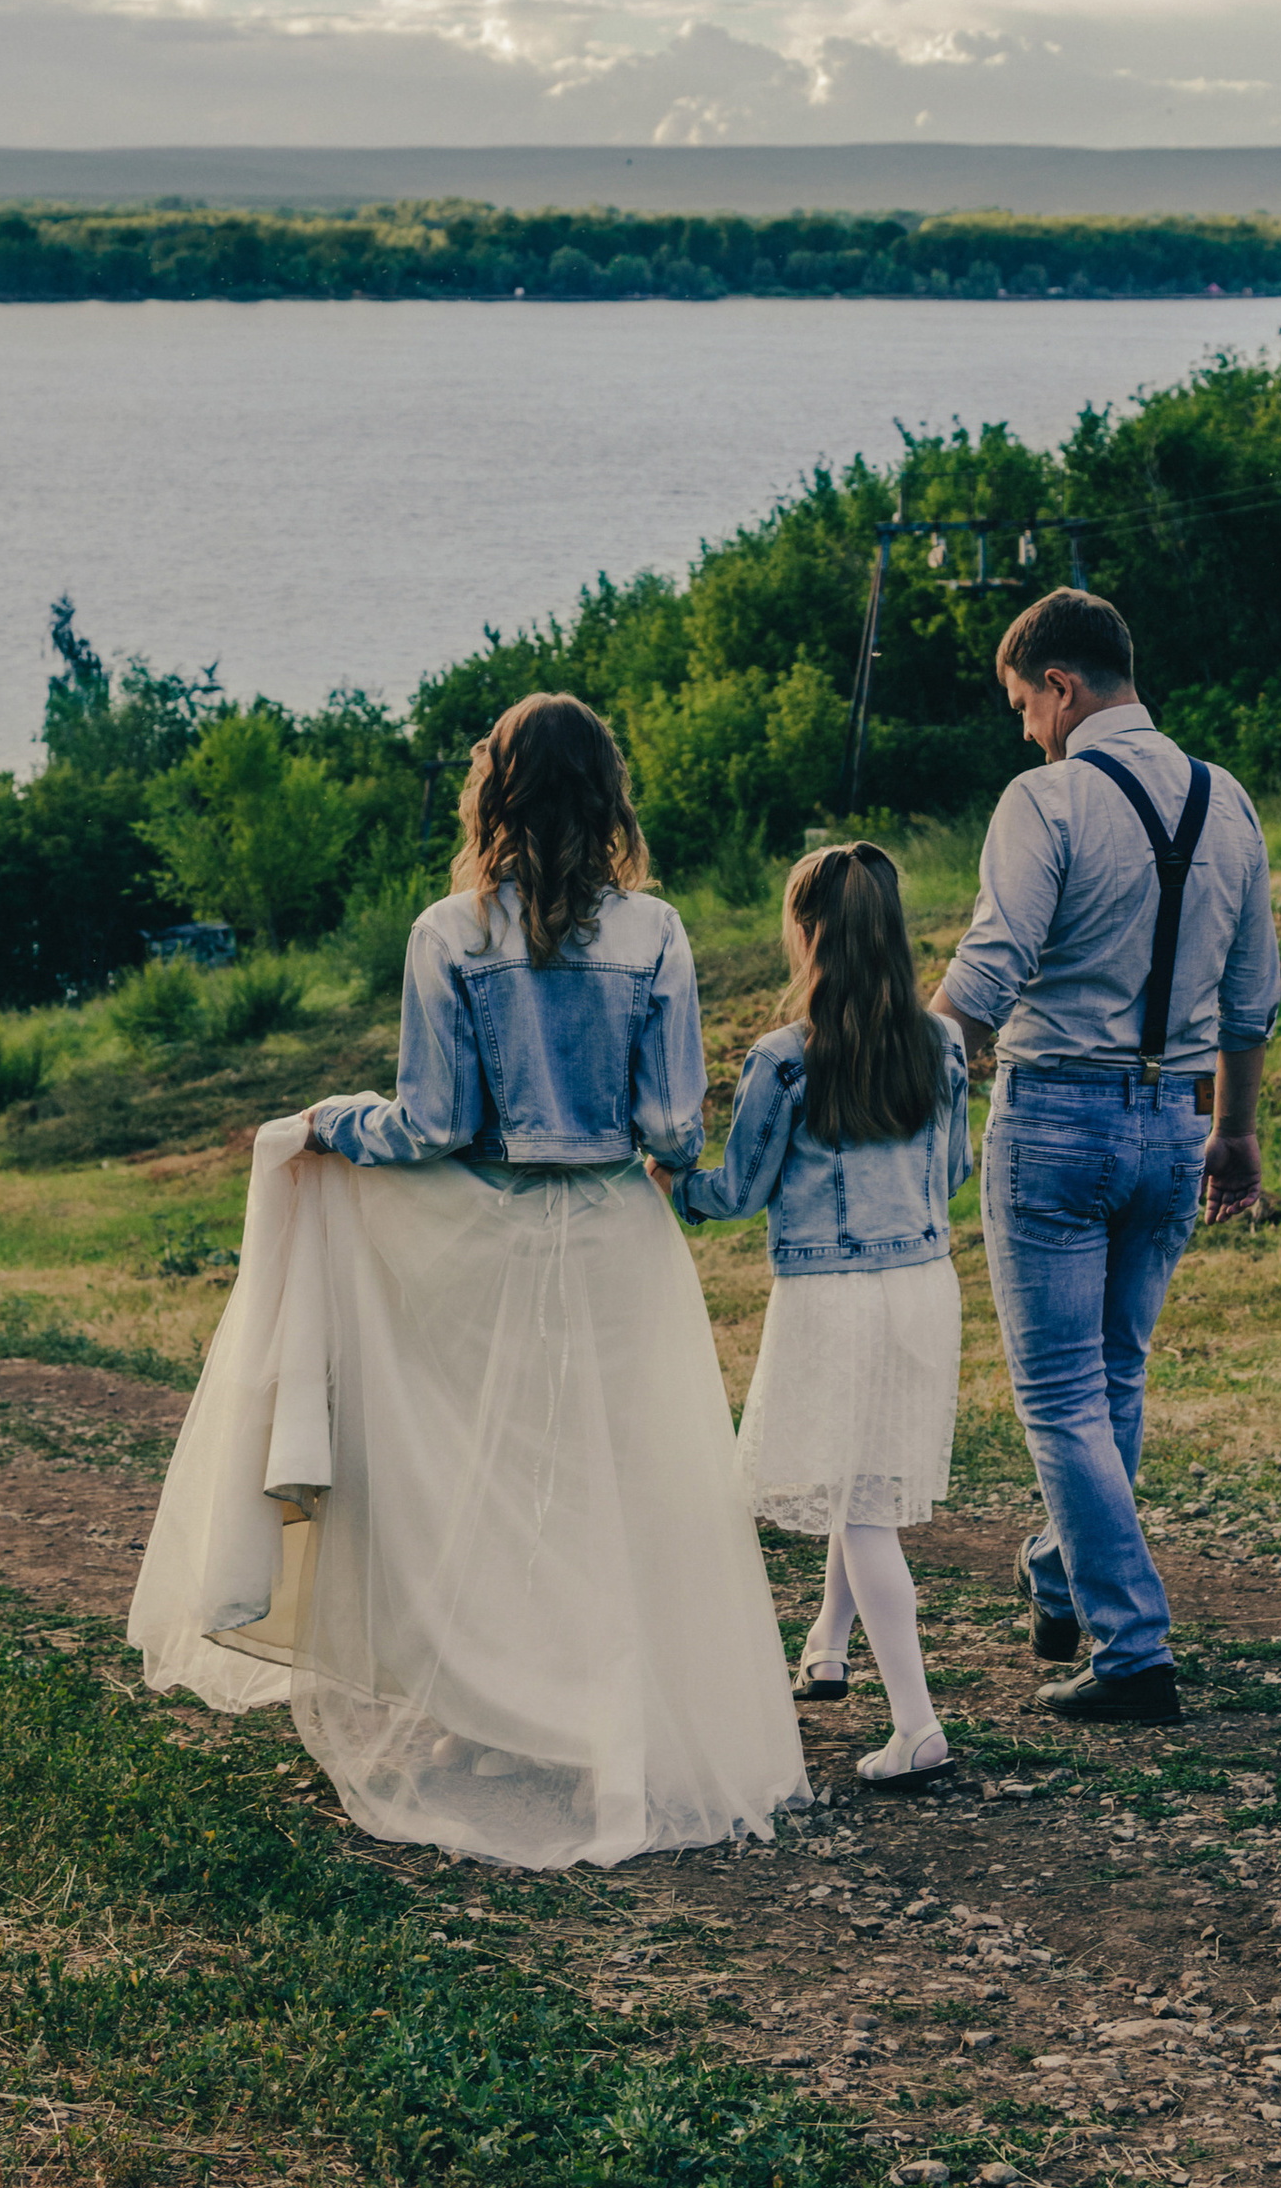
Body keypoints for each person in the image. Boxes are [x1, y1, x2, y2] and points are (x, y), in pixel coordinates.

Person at [127, 692, 807, 1869]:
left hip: (486, 1238)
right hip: (614, 1241)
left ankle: (500, 1718)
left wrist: (332, 1122)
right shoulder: (658, 931)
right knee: (625, 1482)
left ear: (493, 792)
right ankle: (608, 1724)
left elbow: (433, 1123)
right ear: (607, 797)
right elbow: (670, 1129)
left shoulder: (449, 930)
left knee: (484, 1474)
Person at [930, 589, 1279, 1725]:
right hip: (1174, 1126)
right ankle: (1055, 1570)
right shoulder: (1227, 802)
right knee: (1114, 1378)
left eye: (1024, 703)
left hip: (1055, 1126)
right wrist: (1235, 1128)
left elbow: (992, 965)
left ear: (1062, 687)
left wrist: (906, 1067)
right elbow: (1249, 995)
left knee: (1061, 1397)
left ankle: (1131, 1649)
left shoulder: (1048, 798)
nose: (1024, 727)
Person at [662, 843, 971, 1791]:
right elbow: (953, 1172)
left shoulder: (785, 1059)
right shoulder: (945, 1043)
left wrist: (673, 1185)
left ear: (808, 934)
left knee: (861, 1505)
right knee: (861, 1473)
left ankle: (917, 1724)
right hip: (923, 1285)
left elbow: (741, 1187)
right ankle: (828, 1644)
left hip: (832, 1297)